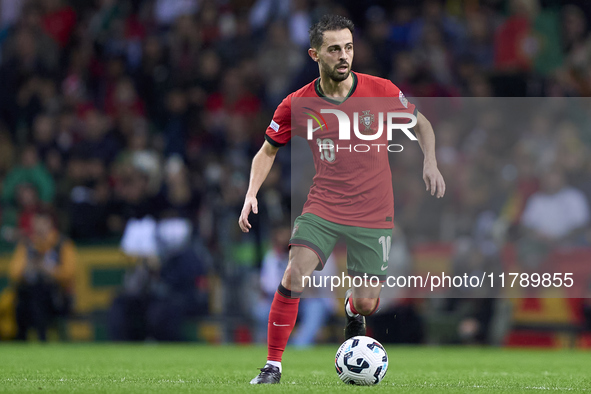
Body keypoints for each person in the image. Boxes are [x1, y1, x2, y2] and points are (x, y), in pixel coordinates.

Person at [238, 15, 445, 384]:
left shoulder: (379, 91)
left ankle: (352, 310)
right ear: (315, 54)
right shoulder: (297, 103)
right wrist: (251, 193)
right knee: (294, 272)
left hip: (374, 209)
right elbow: (267, 150)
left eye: (348, 47)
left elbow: (422, 124)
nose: (343, 55)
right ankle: (272, 366)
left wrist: (430, 162)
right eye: (334, 49)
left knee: (366, 302)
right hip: (324, 205)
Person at [9, 208, 76, 341]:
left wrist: (48, 270)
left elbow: (69, 273)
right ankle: (20, 342)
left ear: (50, 224)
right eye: (35, 223)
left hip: (57, 296)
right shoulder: (27, 245)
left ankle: (42, 340)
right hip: (29, 294)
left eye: (42, 223)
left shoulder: (62, 244)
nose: (38, 227)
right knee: (22, 300)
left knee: (40, 295)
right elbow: (14, 273)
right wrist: (28, 267)